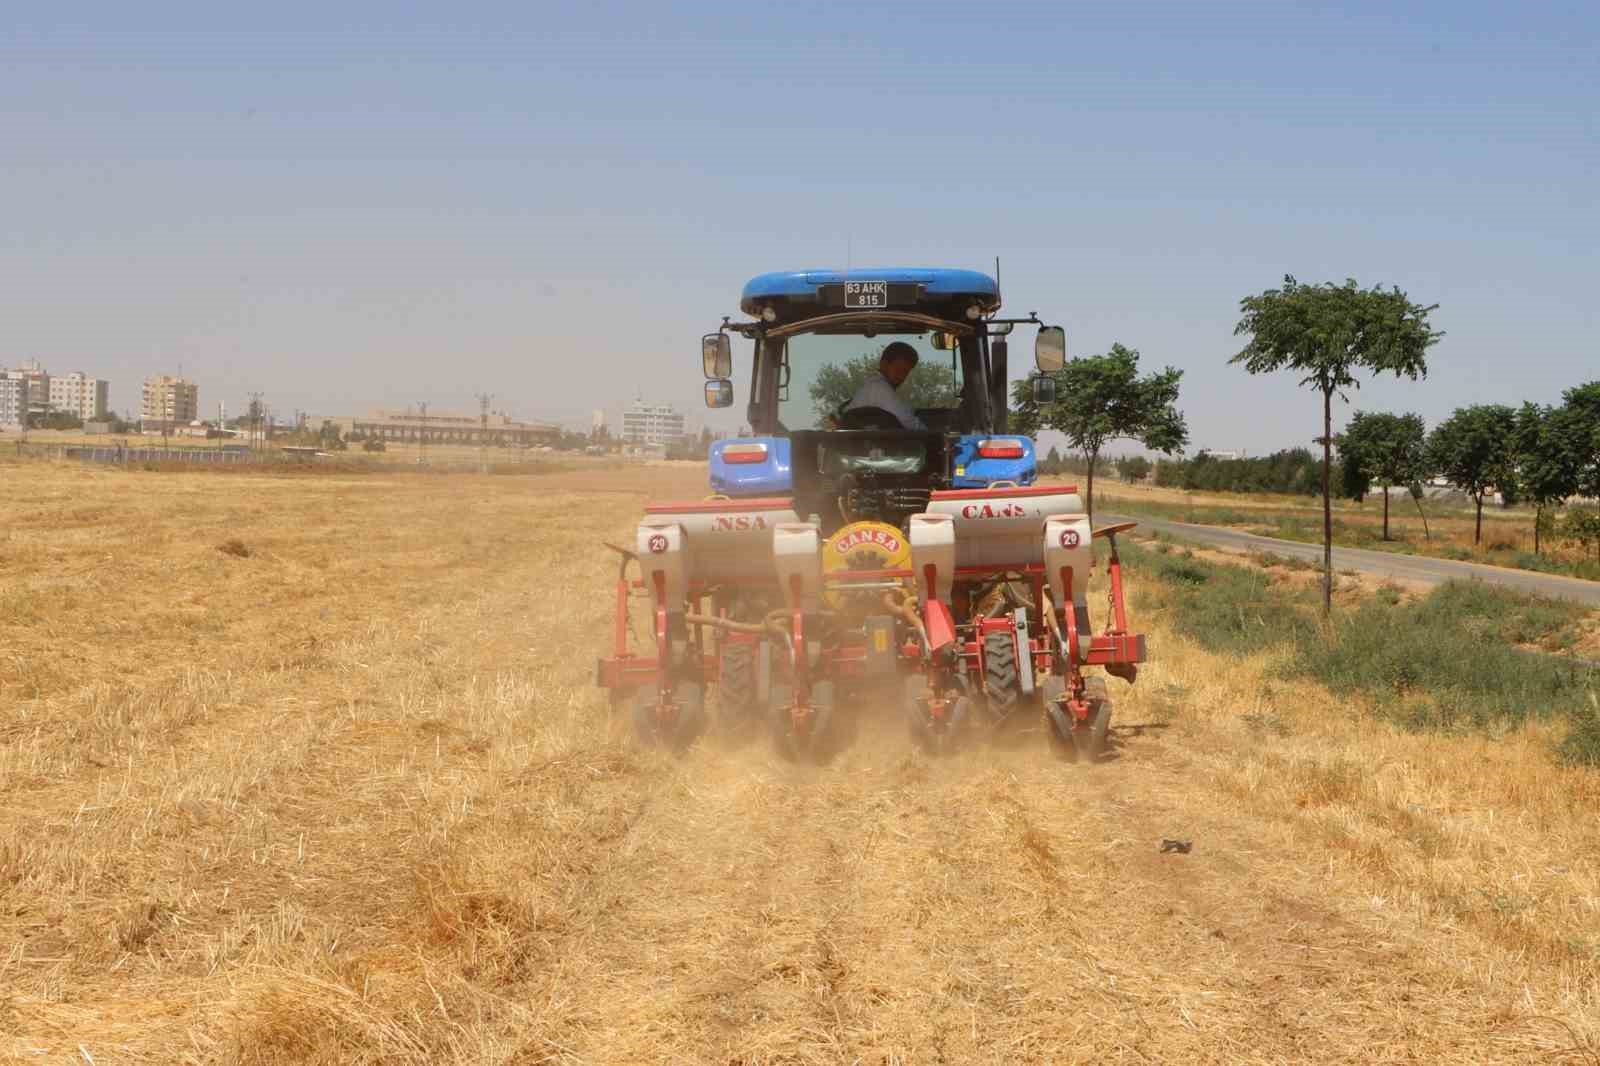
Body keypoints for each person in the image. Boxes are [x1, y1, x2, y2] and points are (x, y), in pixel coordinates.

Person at [844, 341, 927, 430]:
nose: (901, 376)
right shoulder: (879, 388)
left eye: (905, 372)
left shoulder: (872, 385)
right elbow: (908, 422)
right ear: (883, 364)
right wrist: (932, 434)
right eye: (898, 369)